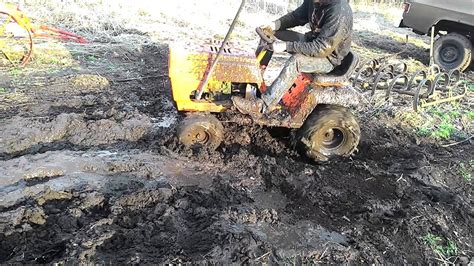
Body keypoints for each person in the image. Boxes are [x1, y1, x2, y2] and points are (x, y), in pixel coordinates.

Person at [232, 0, 353, 116]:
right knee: (269, 33)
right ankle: (253, 78)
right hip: (313, 42)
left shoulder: (338, 11)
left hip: (329, 58)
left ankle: (263, 105)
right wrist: (275, 24)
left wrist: (286, 46)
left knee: (296, 61)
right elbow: (297, 16)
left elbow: (321, 48)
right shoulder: (314, 1)